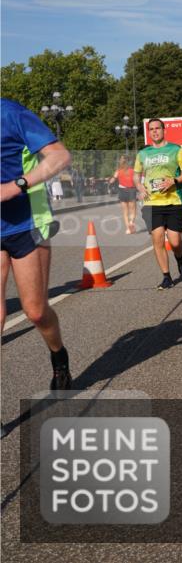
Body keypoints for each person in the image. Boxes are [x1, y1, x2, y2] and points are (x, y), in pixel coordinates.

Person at [0, 99, 74, 390]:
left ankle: (58, 355)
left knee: (36, 311)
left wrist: (16, 185)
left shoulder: (11, 113)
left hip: (27, 223)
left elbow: (59, 157)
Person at [134, 118, 182, 290]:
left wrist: (174, 180)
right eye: (151, 129)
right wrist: (139, 187)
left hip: (174, 201)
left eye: (157, 128)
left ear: (163, 130)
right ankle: (166, 276)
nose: (154, 131)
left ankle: (180, 258)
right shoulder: (143, 154)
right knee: (157, 238)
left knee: (175, 242)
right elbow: (136, 175)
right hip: (152, 203)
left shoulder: (175, 149)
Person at [109, 154, 138, 234]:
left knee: (125, 211)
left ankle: (128, 229)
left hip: (122, 190)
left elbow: (112, 180)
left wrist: (110, 181)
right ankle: (131, 222)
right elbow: (137, 180)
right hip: (132, 190)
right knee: (133, 210)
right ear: (129, 161)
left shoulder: (118, 171)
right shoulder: (133, 170)